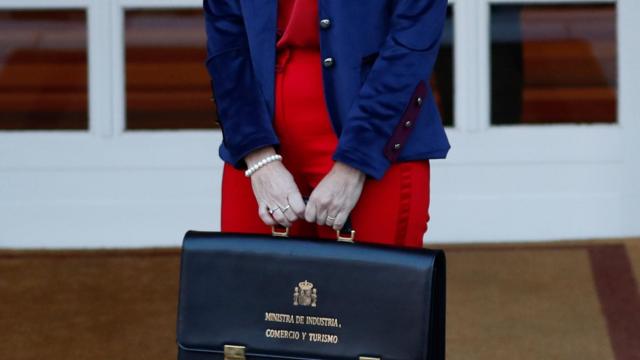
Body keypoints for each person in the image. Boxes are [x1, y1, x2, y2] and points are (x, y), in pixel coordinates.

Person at [204, 0, 450, 248]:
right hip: (257, 142)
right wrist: (258, 159)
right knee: (250, 281)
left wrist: (354, 164)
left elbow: (411, 45)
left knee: (373, 283)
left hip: (377, 138)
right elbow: (225, 42)